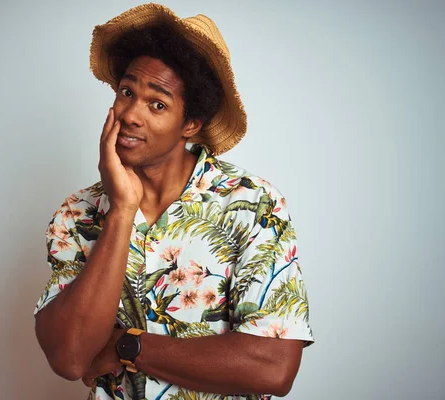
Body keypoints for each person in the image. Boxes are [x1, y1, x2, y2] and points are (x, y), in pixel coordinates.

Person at [34, 4, 314, 399]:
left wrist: (124, 345)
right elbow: (69, 357)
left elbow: (272, 367)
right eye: (127, 92)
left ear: (190, 125)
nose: (130, 114)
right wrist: (122, 213)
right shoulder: (77, 213)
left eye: (157, 104)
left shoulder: (252, 205)